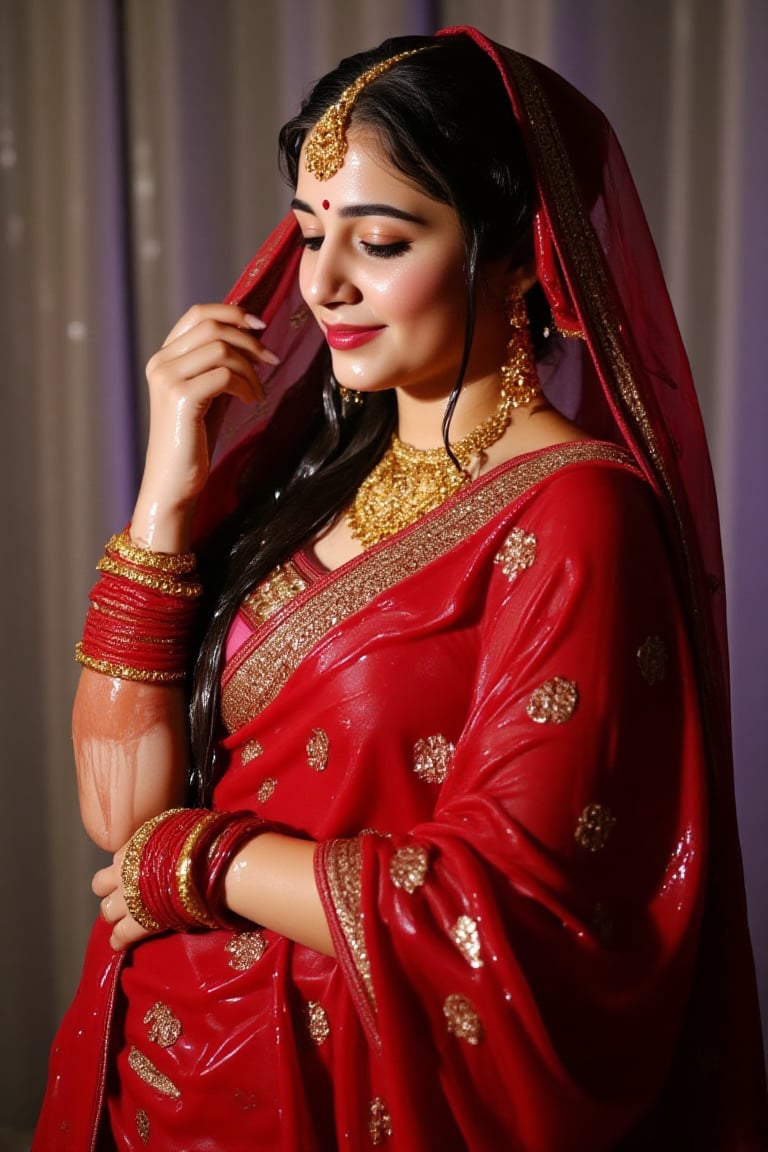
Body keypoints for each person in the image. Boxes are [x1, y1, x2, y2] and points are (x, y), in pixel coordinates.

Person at [33, 25, 767, 1152]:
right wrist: (167, 486)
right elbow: (119, 815)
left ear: (521, 254)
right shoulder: (302, 476)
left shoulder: (574, 515)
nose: (322, 284)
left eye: (378, 240)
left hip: (338, 1103)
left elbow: (510, 925)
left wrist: (202, 862)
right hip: (152, 1080)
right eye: (309, 230)